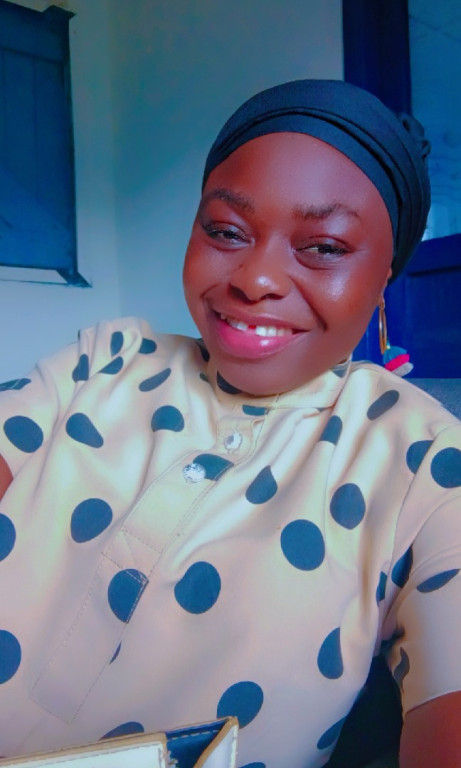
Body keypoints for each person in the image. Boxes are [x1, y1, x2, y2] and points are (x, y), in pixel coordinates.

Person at [0, 80, 459, 768]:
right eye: (225, 232)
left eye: (323, 246)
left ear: (383, 276)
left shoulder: (425, 460)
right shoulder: (103, 361)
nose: (255, 278)